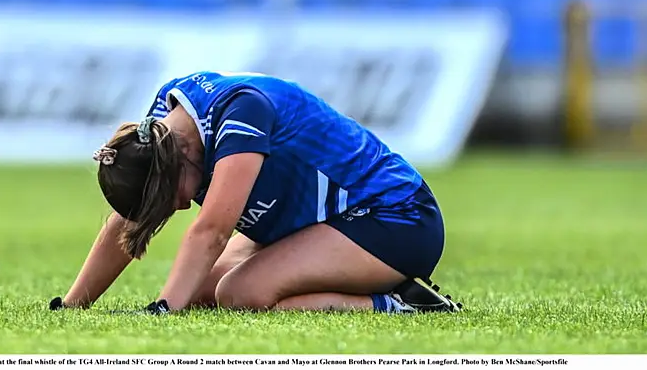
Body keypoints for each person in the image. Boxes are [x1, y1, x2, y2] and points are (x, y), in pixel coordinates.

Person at [49, 71, 462, 314]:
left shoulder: (242, 113)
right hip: (316, 223)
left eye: (170, 197)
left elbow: (211, 231)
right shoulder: (162, 133)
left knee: (240, 293)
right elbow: (128, 220)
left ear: (182, 159)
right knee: (201, 289)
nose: (177, 207)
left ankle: (398, 303)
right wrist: (72, 306)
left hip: (394, 217)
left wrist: (162, 311)